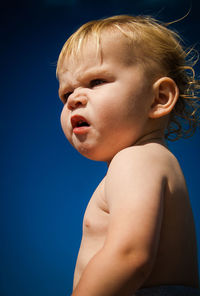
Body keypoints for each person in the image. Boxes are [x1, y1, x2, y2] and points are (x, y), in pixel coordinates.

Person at [56, 15, 200, 296]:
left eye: (96, 81)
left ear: (159, 98)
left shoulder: (135, 159)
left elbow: (130, 256)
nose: (74, 99)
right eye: (66, 93)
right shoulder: (154, 160)